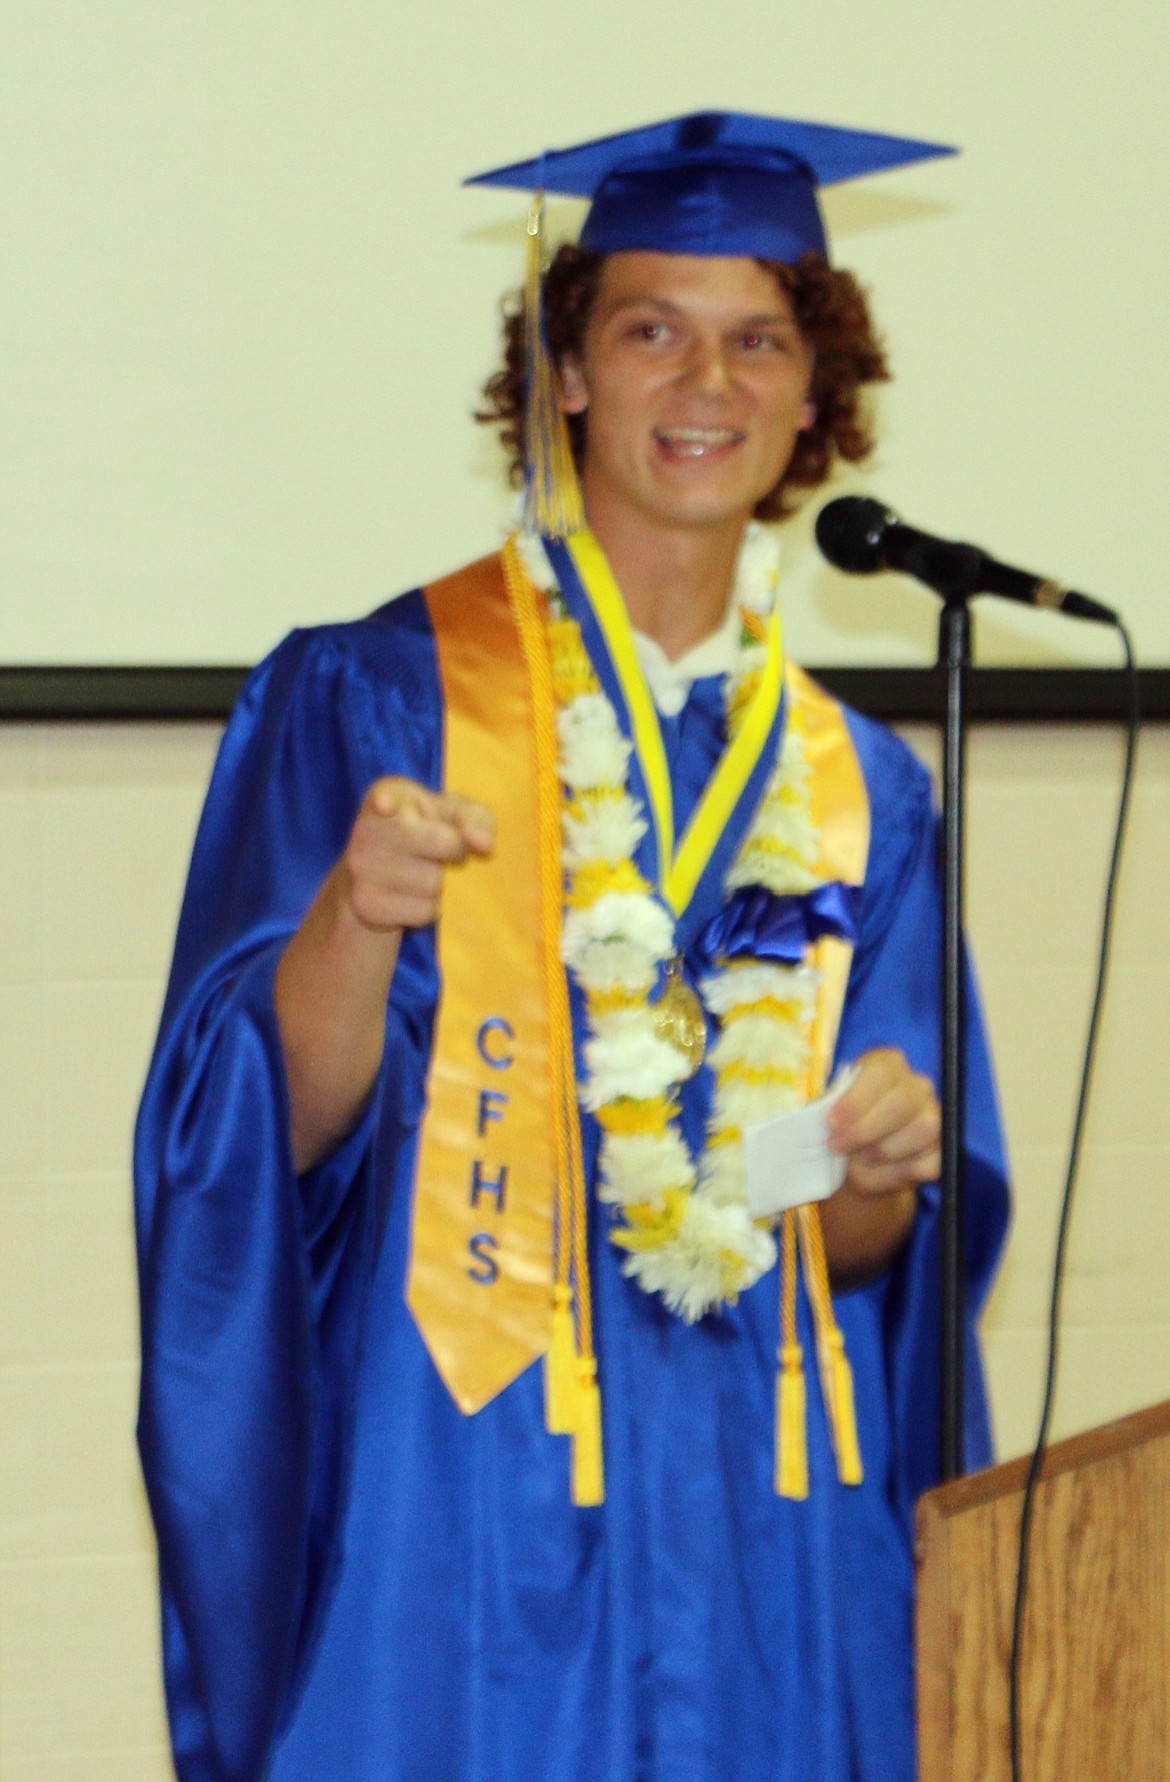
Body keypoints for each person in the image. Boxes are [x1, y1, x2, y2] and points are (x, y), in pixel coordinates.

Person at [135, 113, 1009, 1782]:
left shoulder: (857, 787)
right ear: (567, 376)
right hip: (466, 1489)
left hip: (766, 1513)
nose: (708, 381)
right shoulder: (381, 697)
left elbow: (866, 1249)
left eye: (760, 338)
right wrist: (350, 917)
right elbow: (259, 1135)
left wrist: (877, 1156)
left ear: (814, 394)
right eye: (650, 328)